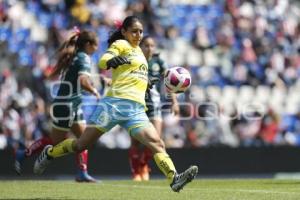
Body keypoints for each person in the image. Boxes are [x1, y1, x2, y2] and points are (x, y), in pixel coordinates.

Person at [34, 16, 198, 192]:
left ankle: (174, 179)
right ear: (124, 32)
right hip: (112, 105)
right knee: (82, 145)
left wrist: (147, 82)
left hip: (135, 110)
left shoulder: (141, 55)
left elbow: (134, 75)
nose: (138, 34)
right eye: (134, 31)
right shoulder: (121, 45)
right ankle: (50, 153)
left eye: (141, 31)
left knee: (157, 143)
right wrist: (111, 61)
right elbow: (103, 60)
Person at [15, 29, 102, 182]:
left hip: (72, 104)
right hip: (66, 105)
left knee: (84, 139)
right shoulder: (84, 58)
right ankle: (25, 153)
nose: (97, 49)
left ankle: (82, 173)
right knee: (55, 142)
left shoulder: (75, 55)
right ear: (89, 44)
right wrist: (94, 91)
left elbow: (78, 79)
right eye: (96, 45)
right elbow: (82, 80)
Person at [129, 35, 180, 181]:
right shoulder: (134, 60)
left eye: (152, 45)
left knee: (156, 139)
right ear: (140, 46)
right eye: (146, 45)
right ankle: (135, 172)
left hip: (154, 106)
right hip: (137, 105)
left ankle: (143, 165)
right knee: (135, 142)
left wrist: (174, 102)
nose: (149, 48)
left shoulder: (159, 61)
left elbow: (169, 82)